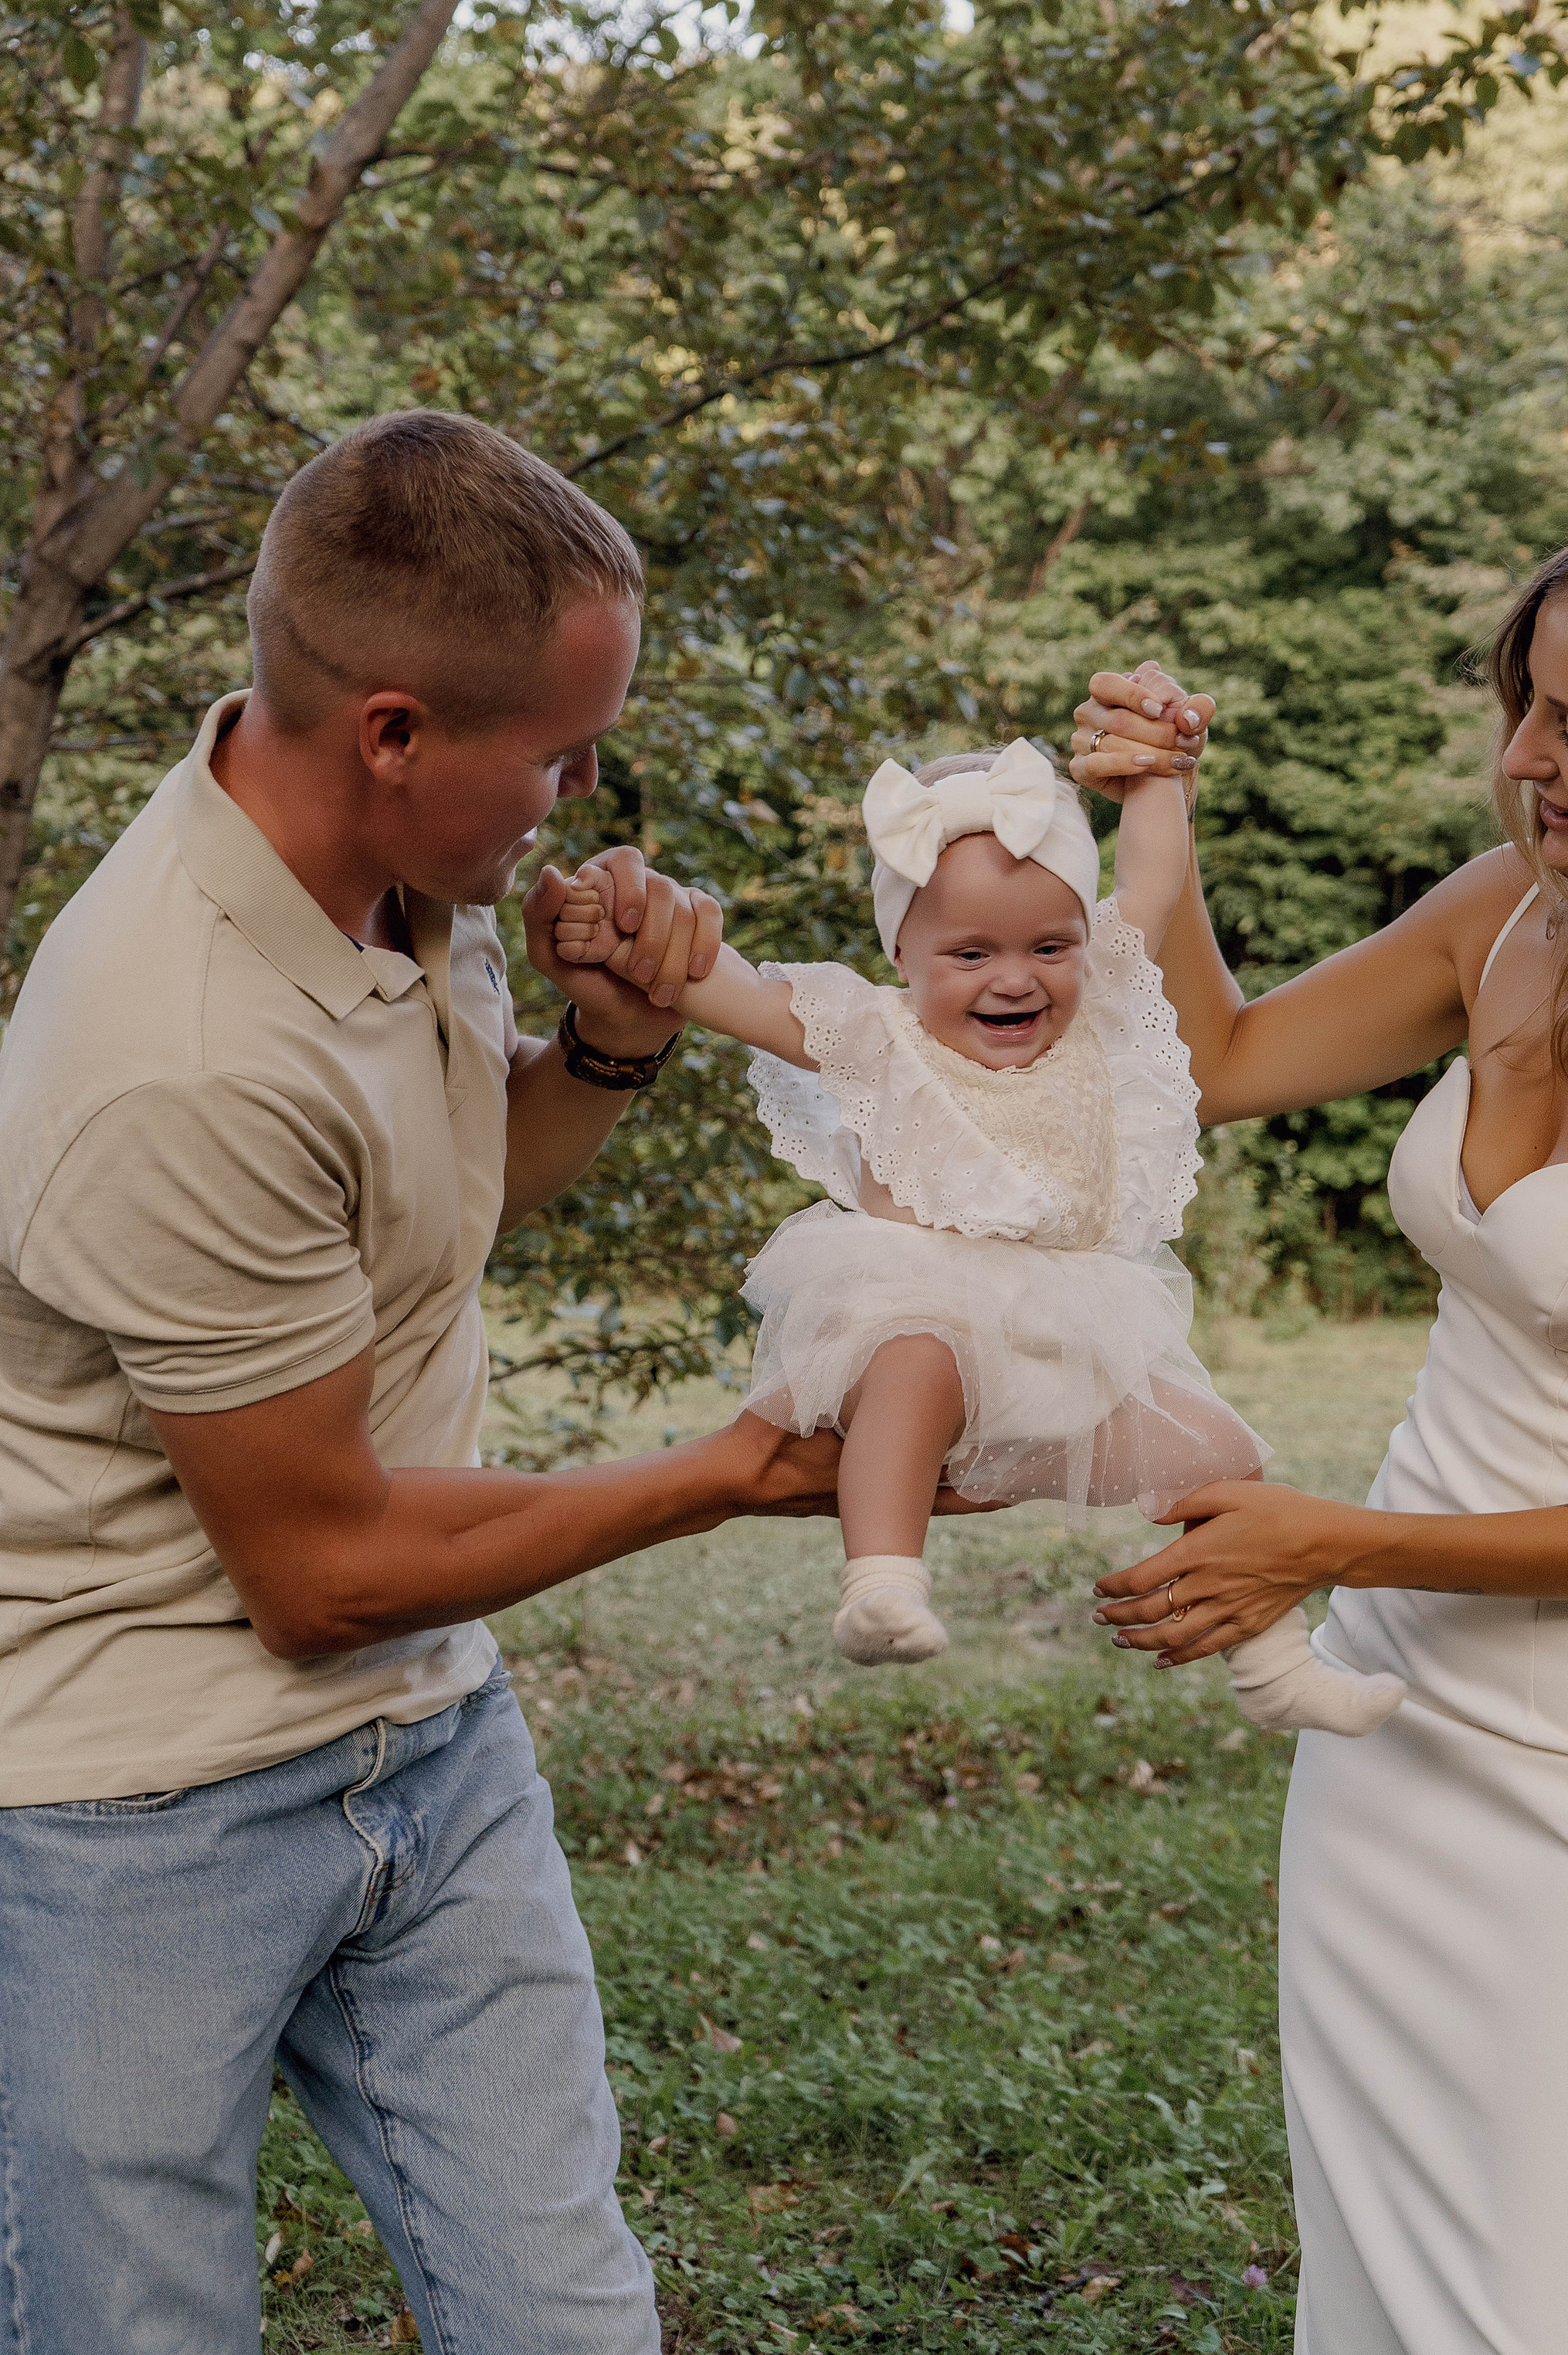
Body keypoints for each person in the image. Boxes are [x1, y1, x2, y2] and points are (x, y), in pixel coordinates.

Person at [0, 410, 857, 2355]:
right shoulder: (178, 1051)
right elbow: (323, 1572)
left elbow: (430, 1231)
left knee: (566, 2318)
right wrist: (726, 1472)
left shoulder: (391, 883)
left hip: (430, 1742)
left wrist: (612, 1048)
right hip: (133, 1802)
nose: (578, 793)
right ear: (391, 730)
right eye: (554, 753)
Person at [1070, 491, 1568, 2355]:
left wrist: (1328, 1536)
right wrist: (1158, 815)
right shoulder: (1504, 917)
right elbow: (1215, 1065)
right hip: (1386, 1752)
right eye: (1521, 703)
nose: (1524, 759)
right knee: (1370, 2314)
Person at [553, 734, 1403, 1737]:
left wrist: (1162, 773)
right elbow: (722, 987)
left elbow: (1157, 878)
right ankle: (881, 1580)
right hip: (904, 1313)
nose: (1015, 979)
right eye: (970, 954)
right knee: (920, 1366)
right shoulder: (877, 1029)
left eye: (1050, 947)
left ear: (1083, 939)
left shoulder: (1102, 1016)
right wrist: (621, 930)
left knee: (1214, 1444)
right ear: (903, 953)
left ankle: (1274, 1666)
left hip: (1061, 1337)